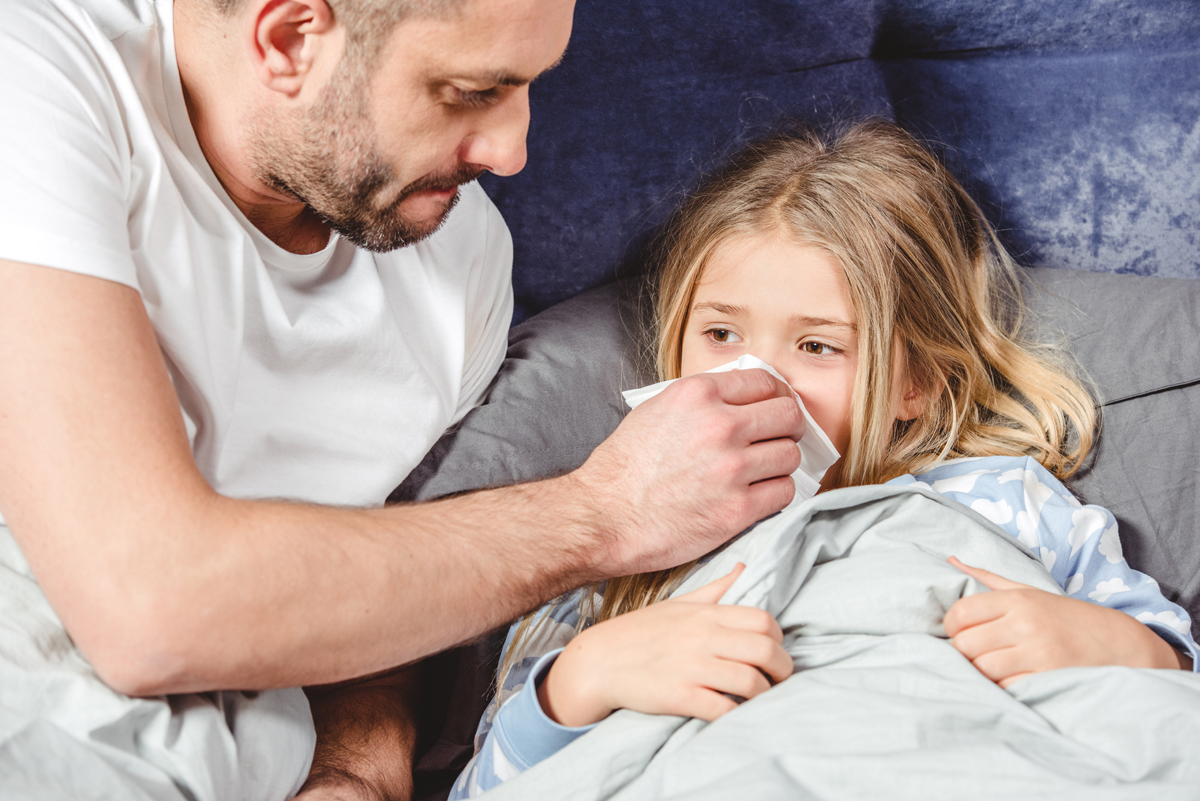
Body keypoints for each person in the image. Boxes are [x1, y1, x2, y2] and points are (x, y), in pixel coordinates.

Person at [0, 0, 810, 798]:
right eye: (470, 91)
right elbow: (150, 608)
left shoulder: (460, 256)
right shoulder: (40, 76)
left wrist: (358, 766)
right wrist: (604, 512)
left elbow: (400, 577)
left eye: (529, 86)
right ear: (288, 39)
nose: (512, 150)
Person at [451, 121, 1200, 799]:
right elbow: (487, 782)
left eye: (816, 346)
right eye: (719, 334)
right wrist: (585, 677)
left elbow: (1170, 685)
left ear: (915, 383)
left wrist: (1111, 644)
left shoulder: (1004, 498)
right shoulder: (618, 544)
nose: (752, 377)